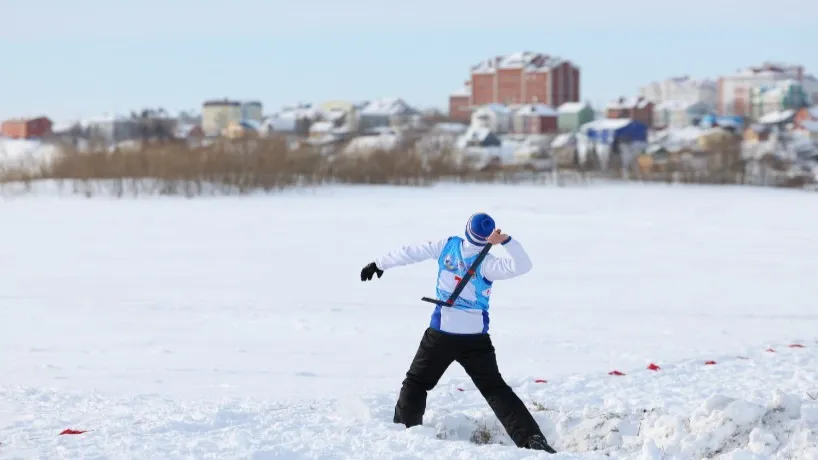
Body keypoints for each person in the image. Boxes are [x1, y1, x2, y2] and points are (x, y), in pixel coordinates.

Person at [360, 212, 557, 453]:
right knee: (495, 388)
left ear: (466, 230)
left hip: (442, 333)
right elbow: (523, 266)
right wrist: (506, 241)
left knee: (416, 382)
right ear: (489, 238)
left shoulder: (447, 246)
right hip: (476, 338)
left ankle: (405, 433)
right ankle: (531, 439)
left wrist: (379, 263)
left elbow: (410, 251)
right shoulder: (489, 264)